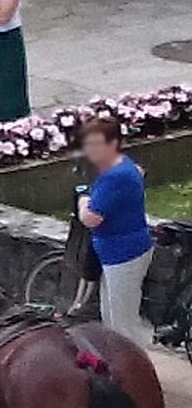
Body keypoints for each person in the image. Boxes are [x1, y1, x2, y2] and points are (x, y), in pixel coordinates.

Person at [78, 117, 153, 347]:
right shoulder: (123, 166)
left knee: (123, 322)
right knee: (111, 316)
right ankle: (119, 365)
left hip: (124, 255)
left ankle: (136, 369)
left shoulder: (114, 176)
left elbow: (91, 218)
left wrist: (83, 201)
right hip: (117, 254)